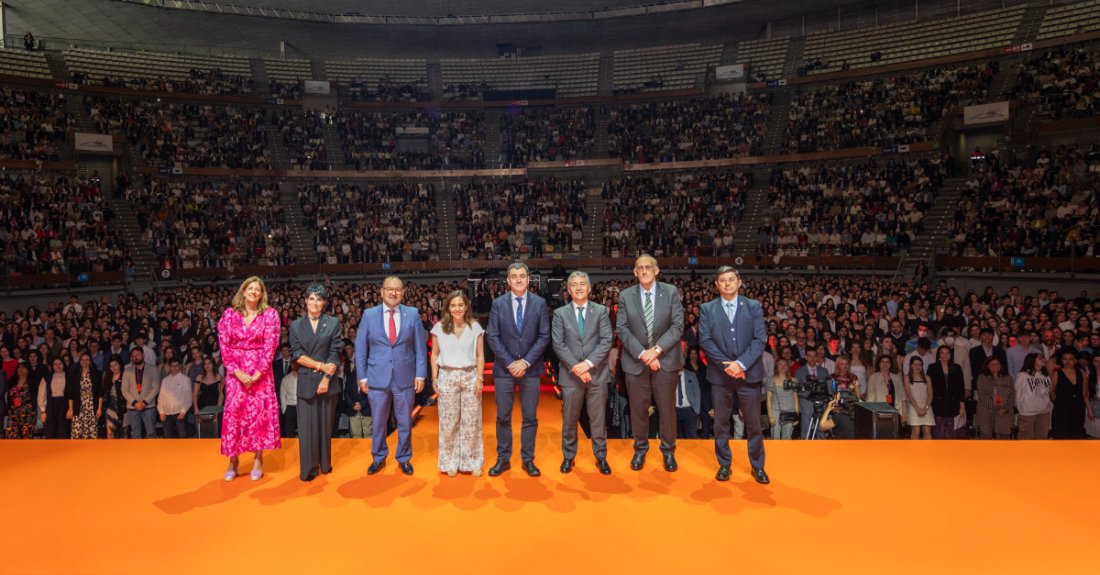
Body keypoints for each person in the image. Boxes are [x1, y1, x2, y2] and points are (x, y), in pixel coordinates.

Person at [698, 266, 769, 483]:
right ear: (716, 285)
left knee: (754, 423)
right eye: (722, 280)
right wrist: (726, 365)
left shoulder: (753, 306)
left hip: (748, 375)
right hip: (720, 377)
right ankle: (724, 464)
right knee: (721, 422)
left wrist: (741, 364)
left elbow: (760, 340)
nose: (727, 283)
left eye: (731, 279)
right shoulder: (707, 308)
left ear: (739, 282)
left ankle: (758, 466)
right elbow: (705, 341)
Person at [616, 255, 685, 473]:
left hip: (665, 359)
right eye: (640, 268)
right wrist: (643, 354)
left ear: (656, 271)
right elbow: (622, 329)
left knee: (666, 410)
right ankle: (640, 449)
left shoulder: (671, 292)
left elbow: (677, 326)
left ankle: (668, 451)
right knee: (638, 409)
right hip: (636, 361)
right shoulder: (626, 296)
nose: (644, 271)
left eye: (648, 267)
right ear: (635, 273)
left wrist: (655, 351)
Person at [355, 276, 428, 476]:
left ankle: (404, 458)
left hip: (405, 377)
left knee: (405, 421)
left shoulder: (412, 314)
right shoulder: (369, 315)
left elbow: (420, 348)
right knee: (378, 422)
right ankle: (378, 457)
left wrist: (420, 375)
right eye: (389, 289)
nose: (393, 292)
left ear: (403, 293)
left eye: (397, 289)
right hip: (376, 378)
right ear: (382, 291)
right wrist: (362, 377)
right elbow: (360, 349)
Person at [486, 263, 551, 477]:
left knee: (530, 417)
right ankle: (503, 458)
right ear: (508, 280)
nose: (518, 279)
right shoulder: (497, 304)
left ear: (528, 278)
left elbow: (544, 336)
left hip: (530, 370)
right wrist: (510, 363)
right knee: (503, 417)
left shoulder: (540, 303)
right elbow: (492, 336)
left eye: (522, 276)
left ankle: (528, 459)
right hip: (504, 371)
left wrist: (525, 362)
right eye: (514, 276)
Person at [217, 276, 282, 481]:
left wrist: (256, 374)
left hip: (260, 373)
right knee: (234, 413)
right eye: (250, 288)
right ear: (243, 291)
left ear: (262, 294)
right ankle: (233, 460)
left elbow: (271, 346)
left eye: (258, 289)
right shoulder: (229, 315)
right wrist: (237, 372)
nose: (254, 291)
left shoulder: (270, 315)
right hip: (235, 372)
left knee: (260, 414)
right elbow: (224, 345)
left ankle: (258, 458)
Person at [551, 272, 613, 475]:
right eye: (574, 285)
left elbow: (606, 341)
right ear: (568, 290)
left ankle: (601, 457)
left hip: (597, 373)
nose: (578, 288)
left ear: (589, 288)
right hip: (571, 376)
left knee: (598, 418)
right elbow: (558, 345)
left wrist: (587, 364)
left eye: (582, 284)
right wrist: (577, 368)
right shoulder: (560, 313)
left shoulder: (601, 311)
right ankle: (568, 456)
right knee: (570, 418)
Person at [289, 284, 344, 482]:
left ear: (324, 303)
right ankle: (309, 469)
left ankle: (325, 464)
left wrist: (326, 378)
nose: (315, 303)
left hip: (327, 383)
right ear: (305, 300)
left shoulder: (333, 323)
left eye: (319, 299)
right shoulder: (295, 325)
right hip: (306, 382)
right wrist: (321, 367)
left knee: (325, 426)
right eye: (311, 298)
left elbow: (335, 352)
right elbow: (297, 355)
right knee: (306, 429)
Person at [431, 290, 487, 477]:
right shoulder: (439, 328)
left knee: (472, 422)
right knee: (448, 424)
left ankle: (472, 462)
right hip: (447, 376)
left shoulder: (475, 327)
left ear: (466, 307)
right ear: (448, 307)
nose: (457, 309)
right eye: (453, 305)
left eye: (460, 305)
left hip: (471, 376)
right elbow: (435, 355)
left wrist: (480, 378)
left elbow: (480, 355)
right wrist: (435, 377)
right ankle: (450, 463)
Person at [121, 347, 160, 439]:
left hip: (148, 405)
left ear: (143, 355)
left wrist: (145, 402)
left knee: (151, 432)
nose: (135, 358)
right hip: (133, 406)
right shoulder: (127, 370)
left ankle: (151, 452)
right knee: (135, 433)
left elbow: (156, 387)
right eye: (133, 356)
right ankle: (137, 453)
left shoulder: (153, 369)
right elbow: (124, 390)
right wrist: (135, 403)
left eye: (137, 355)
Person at [928, 346, 966, 439]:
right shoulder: (932, 367)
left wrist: (962, 406)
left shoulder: (957, 367)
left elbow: (961, 388)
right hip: (938, 405)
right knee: (939, 431)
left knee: (953, 432)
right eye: (942, 353)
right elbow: (929, 387)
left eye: (947, 353)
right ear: (938, 355)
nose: (945, 355)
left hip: (954, 405)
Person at [1050, 349, 1087, 439]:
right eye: (1065, 359)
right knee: (1060, 433)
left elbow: (1084, 392)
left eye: (1070, 359)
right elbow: (1051, 391)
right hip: (1061, 409)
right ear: (1061, 360)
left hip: (1078, 408)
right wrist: (1058, 402)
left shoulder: (1082, 374)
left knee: (1076, 434)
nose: (1068, 361)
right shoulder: (1057, 374)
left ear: (1075, 361)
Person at [974, 357, 1014, 439]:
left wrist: (1005, 408)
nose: (995, 366)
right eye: (992, 364)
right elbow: (982, 395)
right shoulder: (982, 377)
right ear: (987, 366)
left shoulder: (1007, 377)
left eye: (997, 364)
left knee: (1003, 437)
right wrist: (995, 407)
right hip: (986, 411)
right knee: (985, 436)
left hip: (1003, 412)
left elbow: (1012, 395)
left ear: (1001, 366)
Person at [1014, 353, 1052, 440]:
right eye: (1040, 358)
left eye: (1043, 358)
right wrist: (1020, 408)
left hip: (1044, 411)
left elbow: (1049, 390)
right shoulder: (1023, 375)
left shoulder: (1045, 375)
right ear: (1032, 360)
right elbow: (1017, 392)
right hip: (1027, 412)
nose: (1043, 360)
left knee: (1042, 438)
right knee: (1025, 438)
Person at [794, 348, 828, 439]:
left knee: (821, 430)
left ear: (817, 357)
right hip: (806, 403)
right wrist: (810, 394)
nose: (812, 358)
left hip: (820, 404)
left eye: (814, 356)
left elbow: (827, 388)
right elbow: (797, 389)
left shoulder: (824, 371)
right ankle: (805, 451)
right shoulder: (799, 371)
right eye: (810, 356)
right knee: (805, 431)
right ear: (805, 357)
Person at [67, 353, 103, 439]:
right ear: (79, 361)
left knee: (91, 430)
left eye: (87, 360)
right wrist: (70, 409)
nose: (84, 362)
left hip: (91, 404)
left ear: (90, 361)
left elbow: (100, 393)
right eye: (82, 360)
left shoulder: (96, 374)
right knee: (77, 430)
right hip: (78, 404)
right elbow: (71, 393)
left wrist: (99, 408)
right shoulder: (74, 374)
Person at [158, 357, 192, 438]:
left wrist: (183, 411)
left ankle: (184, 451)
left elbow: (188, 397)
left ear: (180, 366)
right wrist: (161, 411)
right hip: (166, 412)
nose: (175, 368)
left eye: (176, 365)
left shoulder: (185, 379)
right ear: (169, 367)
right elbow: (161, 397)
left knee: (182, 435)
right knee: (167, 436)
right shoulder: (165, 380)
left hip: (179, 412)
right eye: (172, 366)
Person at [765, 357, 798, 440]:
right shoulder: (771, 380)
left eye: (785, 365)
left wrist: (796, 415)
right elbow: (768, 399)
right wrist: (770, 415)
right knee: (775, 437)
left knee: (787, 437)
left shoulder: (793, 380)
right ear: (776, 366)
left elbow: (796, 399)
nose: (783, 367)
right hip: (775, 411)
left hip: (790, 412)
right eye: (780, 365)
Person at [39, 358, 71, 439]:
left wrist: (71, 409)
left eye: (60, 363)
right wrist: (43, 411)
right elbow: (42, 394)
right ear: (52, 366)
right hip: (51, 405)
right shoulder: (47, 378)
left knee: (64, 428)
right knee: (51, 429)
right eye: (55, 364)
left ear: (64, 364)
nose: (58, 366)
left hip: (65, 405)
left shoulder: (70, 376)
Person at [903, 356, 934, 439]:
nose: (917, 367)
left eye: (920, 365)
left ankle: (927, 451)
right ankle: (915, 451)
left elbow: (930, 394)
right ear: (911, 366)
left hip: (926, 405)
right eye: (915, 364)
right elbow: (909, 395)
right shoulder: (906, 378)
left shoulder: (927, 377)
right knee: (915, 431)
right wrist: (918, 409)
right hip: (913, 406)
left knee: (927, 430)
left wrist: (926, 408)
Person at [6, 363, 36, 438]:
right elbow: (9, 396)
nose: (20, 369)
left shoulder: (31, 382)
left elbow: (34, 396)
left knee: (27, 433)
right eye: (19, 367)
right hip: (13, 409)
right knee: (11, 433)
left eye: (23, 368)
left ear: (28, 371)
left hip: (27, 410)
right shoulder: (12, 381)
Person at [102, 355, 126, 439]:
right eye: (111, 366)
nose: (113, 367)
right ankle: (110, 450)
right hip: (110, 406)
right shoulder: (107, 375)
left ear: (120, 365)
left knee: (122, 433)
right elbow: (103, 392)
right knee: (110, 431)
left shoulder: (125, 375)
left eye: (115, 365)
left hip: (123, 406)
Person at [278, 361, 299, 439]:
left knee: (303, 430)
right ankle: (290, 449)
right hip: (290, 407)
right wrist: (284, 410)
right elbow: (283, 395)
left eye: (296, 363)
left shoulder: (304, 378)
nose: (295, 365)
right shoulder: (286, 379)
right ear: (291, 364)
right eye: (293, 363)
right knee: (289, 431)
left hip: (302, 407)